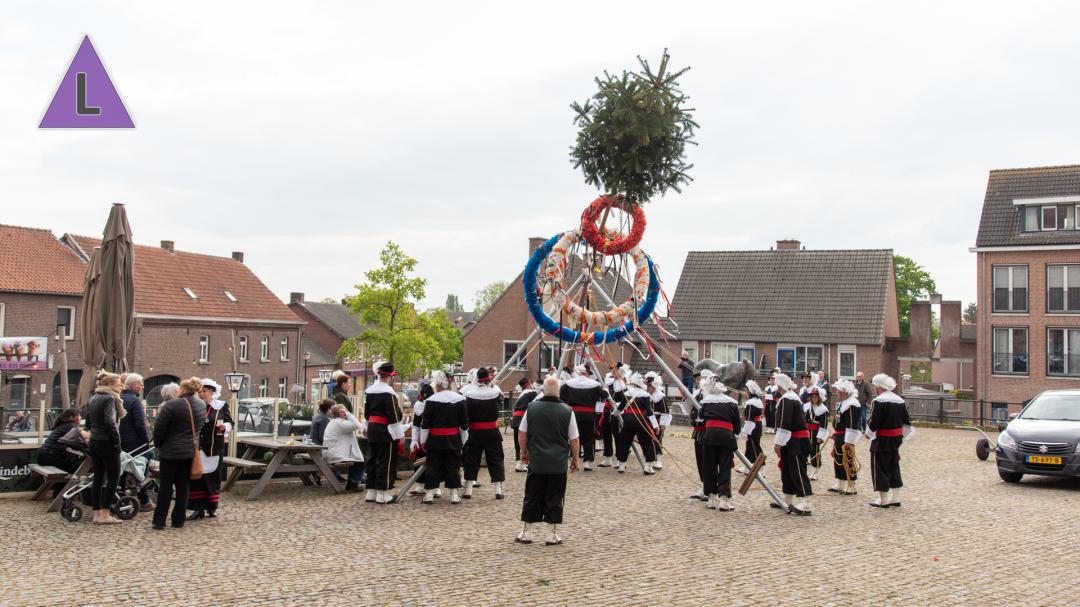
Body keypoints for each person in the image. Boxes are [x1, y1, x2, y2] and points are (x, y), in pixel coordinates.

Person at [516, 376, 580, 545]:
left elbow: (522, 433)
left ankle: (527, 532)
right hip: (558, 463)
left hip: (536, 461)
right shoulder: (567, 411)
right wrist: (575, 458)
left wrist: (523, 452)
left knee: (532, 495)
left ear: (543, 390)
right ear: (558, 392)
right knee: (555, 497)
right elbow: (574, 438)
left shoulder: (531, 408)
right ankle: (551, 534)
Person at [152, 378, 206, 529]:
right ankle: (178, 520)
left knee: (166, 486)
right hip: (189, 451)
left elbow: (159, 429)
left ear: (182, 390)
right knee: (183, 486)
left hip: (170, 452)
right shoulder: (201, 405)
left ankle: (159, 520)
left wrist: (158, 445)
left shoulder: (171, 405)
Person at [419, 370, 469, 504]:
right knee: (453, 466)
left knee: (432, 466)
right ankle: (453, 495)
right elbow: (464, 425)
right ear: (451, 382)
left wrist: (423, 441)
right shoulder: (460, 399)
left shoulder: (430, 400)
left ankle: (429, 494)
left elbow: (425, 425)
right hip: (453, 439)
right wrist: (463, 440)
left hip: (434, 440)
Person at [866, 373, 913, 508]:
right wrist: (900, 438)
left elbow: (873, 421)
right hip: (895, 439)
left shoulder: (878, 401)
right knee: (894, 466)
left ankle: (883, 499)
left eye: (875, 386)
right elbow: (906, 423)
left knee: (879, 467)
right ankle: (895, 497)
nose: (874, 388)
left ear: (878, 387)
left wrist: (868, 434)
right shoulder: (899, 400)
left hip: (881, 439)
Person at [188, 378, 232, 520]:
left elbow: (230, 422)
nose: (201, 394)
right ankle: (198, 509)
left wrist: (225, 427)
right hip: (196, 449)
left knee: (212, 479)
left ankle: (212, 508)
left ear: (212, 392)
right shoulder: (195, 406)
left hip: (214, 448)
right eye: (200, 392)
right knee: (197, 479)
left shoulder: (221, 406)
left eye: (204, 391)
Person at [85, 370, 125, 525]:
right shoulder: (109, 398)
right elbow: (110, 421)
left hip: (94, 441)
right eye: (118, 383)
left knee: (98, 478)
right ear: (109, 385)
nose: (121, 385)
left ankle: (96, 513)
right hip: (107, 442)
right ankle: (105, 514)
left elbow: (88, 422)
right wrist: (116, 441)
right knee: (113, 477)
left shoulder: (94, 397)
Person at [697, 374, 741, 511]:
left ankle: (711, 498)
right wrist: (735, 438)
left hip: (709, 436)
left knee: (709, 466)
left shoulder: (706, 402)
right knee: (725, 467)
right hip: (726, 437)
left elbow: (700, 421)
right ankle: (724, 499)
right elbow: (737, 425)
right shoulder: (731, 403)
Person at [363, 362, 404, 505]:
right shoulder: (388, 392)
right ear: (390, 377)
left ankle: (371, 492)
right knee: (385, 461)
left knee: (372, 459)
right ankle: (382, 493)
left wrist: (367, 427)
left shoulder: (370, 391)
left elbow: (367, 414)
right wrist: (400, 436)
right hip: (385, 429)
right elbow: (393, 416)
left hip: (373, 428)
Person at [462, 367, 506, 499]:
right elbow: (501, 400)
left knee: (471, 460)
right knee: (496, 459)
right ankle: (498, 489)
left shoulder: (468, 394)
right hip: (491, 432)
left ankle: (468, 490)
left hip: (474, 432)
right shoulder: (495, 392)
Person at [772, 373, 812, 516]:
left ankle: (806, 502)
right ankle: (788, 499)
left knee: (798, 472)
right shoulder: (793, 398)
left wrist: (778, 443)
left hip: (795, 441)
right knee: (787, 471)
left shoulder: (787, 399)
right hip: (793, 440)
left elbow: (784, 424)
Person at [611, 370, 659, 475]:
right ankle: (648, 467)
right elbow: (650, 412)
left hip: (628, 421)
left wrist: (614, 414)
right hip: (641, 421)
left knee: (624, 442)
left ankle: (622, 466)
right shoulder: (645, 395)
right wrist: (655, 425)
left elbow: (619, 409)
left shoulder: (627, 393)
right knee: (647, 443)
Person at [559, 365, 605, 472]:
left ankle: (574, 458)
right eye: (588, 373)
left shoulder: (570, 384)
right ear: (585, 373)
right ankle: (588, 462)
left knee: (574, 436)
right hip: (589, 415)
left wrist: (570, 402)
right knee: (589, 438)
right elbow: (603, 395)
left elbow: (561, 394)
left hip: (574, 414)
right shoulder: (594, 385)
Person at [36, 408, 85, 496]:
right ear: (73, 417)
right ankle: (60, 495)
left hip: (43, 455)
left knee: (67, 467)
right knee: (77, 469)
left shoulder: (63, 426)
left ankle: (58, 493)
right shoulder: (71, 427)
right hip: (49, 456)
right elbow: (81, 441)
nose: (81, 417)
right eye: (79, 415)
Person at [829, 379, 862, 496]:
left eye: (838, 391)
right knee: (838, 459)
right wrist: (835, 432)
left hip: (846, 436)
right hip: (839, 435)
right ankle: (840, 482)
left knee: (847, 460)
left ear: (844, 391)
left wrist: (848, 441)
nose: (837, 393)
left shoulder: (852, 404)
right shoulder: (844, 402)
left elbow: (852, 424)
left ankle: (851, 485)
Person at [323, 404, 366, 491]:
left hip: (330, 453)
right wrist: (349, 414)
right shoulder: (340, 422)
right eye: (345, 410)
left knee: (358, 459)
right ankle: (353, 483)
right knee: (360, 462)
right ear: (341, 413)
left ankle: (352, 483)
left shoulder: (334, 421)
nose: (346, 412)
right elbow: (357, 425)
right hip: (335, 455)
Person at [687, 369, 710, 501]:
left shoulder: (709, 395)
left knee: (708, 460)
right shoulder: (697, 392)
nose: (696, 381)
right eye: (696, 379)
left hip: (707, 430)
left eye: (699, 378)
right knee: (700, 459)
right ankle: (703, 485)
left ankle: (710, 487)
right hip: (698, 430)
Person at [737, 380, 765, 473]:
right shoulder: (757, 401)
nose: (745, 393)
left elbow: (749, 419)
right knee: (749, 447)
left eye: (746, 391)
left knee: (754, 447)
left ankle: (761, 468)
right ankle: (747, 466)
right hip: (756, 426)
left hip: (753, 427)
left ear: (750, 391)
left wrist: (745, 431)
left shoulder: (751, 403)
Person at [645, 372, 671, 470]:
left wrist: (663, 424)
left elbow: (665, 411)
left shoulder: (660, 396)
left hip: (657, 420)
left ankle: (658, 459)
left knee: (657, 440)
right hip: (648, 420)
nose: (647, 388)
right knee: (647, 440)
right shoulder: (646, 395)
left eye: (648, 386)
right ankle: (649, 459)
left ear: (653, 386)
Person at [512, 378, 538, 472]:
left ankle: (519, 463)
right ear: (528, 384)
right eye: (531, 382)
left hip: (516, 419)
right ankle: (525, 462)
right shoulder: (532, 392)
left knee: (518, 442)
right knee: (527, 441)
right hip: (524, 418)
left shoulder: (522, 395)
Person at [804, 386, 829, 481]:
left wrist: (821, 437)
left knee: (815, 452)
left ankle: (815, 473)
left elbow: (824, 425)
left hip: (815, 432)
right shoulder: (806, 406)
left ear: (819, 398)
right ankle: (805, 471)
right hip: (806, 432)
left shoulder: (823, 409)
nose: (814, 399)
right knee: (804, 452)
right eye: (812, 397)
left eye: (816, 397)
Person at [598, 372, 618, 467]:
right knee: (606, 436)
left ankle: (620, 458)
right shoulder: (606, 387)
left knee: (618, 437)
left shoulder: (620, 387)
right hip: (606, 413)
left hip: (616, 414)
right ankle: (607, 457)